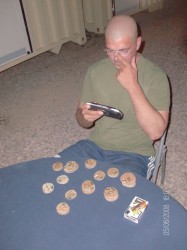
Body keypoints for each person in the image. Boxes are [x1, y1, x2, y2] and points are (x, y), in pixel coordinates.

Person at [69, 15, 170, 179]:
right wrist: (85, 117)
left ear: (137, 44)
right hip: (94, 147)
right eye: (110, 50)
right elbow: (81, 118)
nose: (115, 58)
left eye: (123, 50)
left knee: (122, 201)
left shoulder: (156, 76)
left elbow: (155, 132)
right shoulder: (95, 71)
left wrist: (132, 86)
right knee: (51, 172)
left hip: (135, 155)